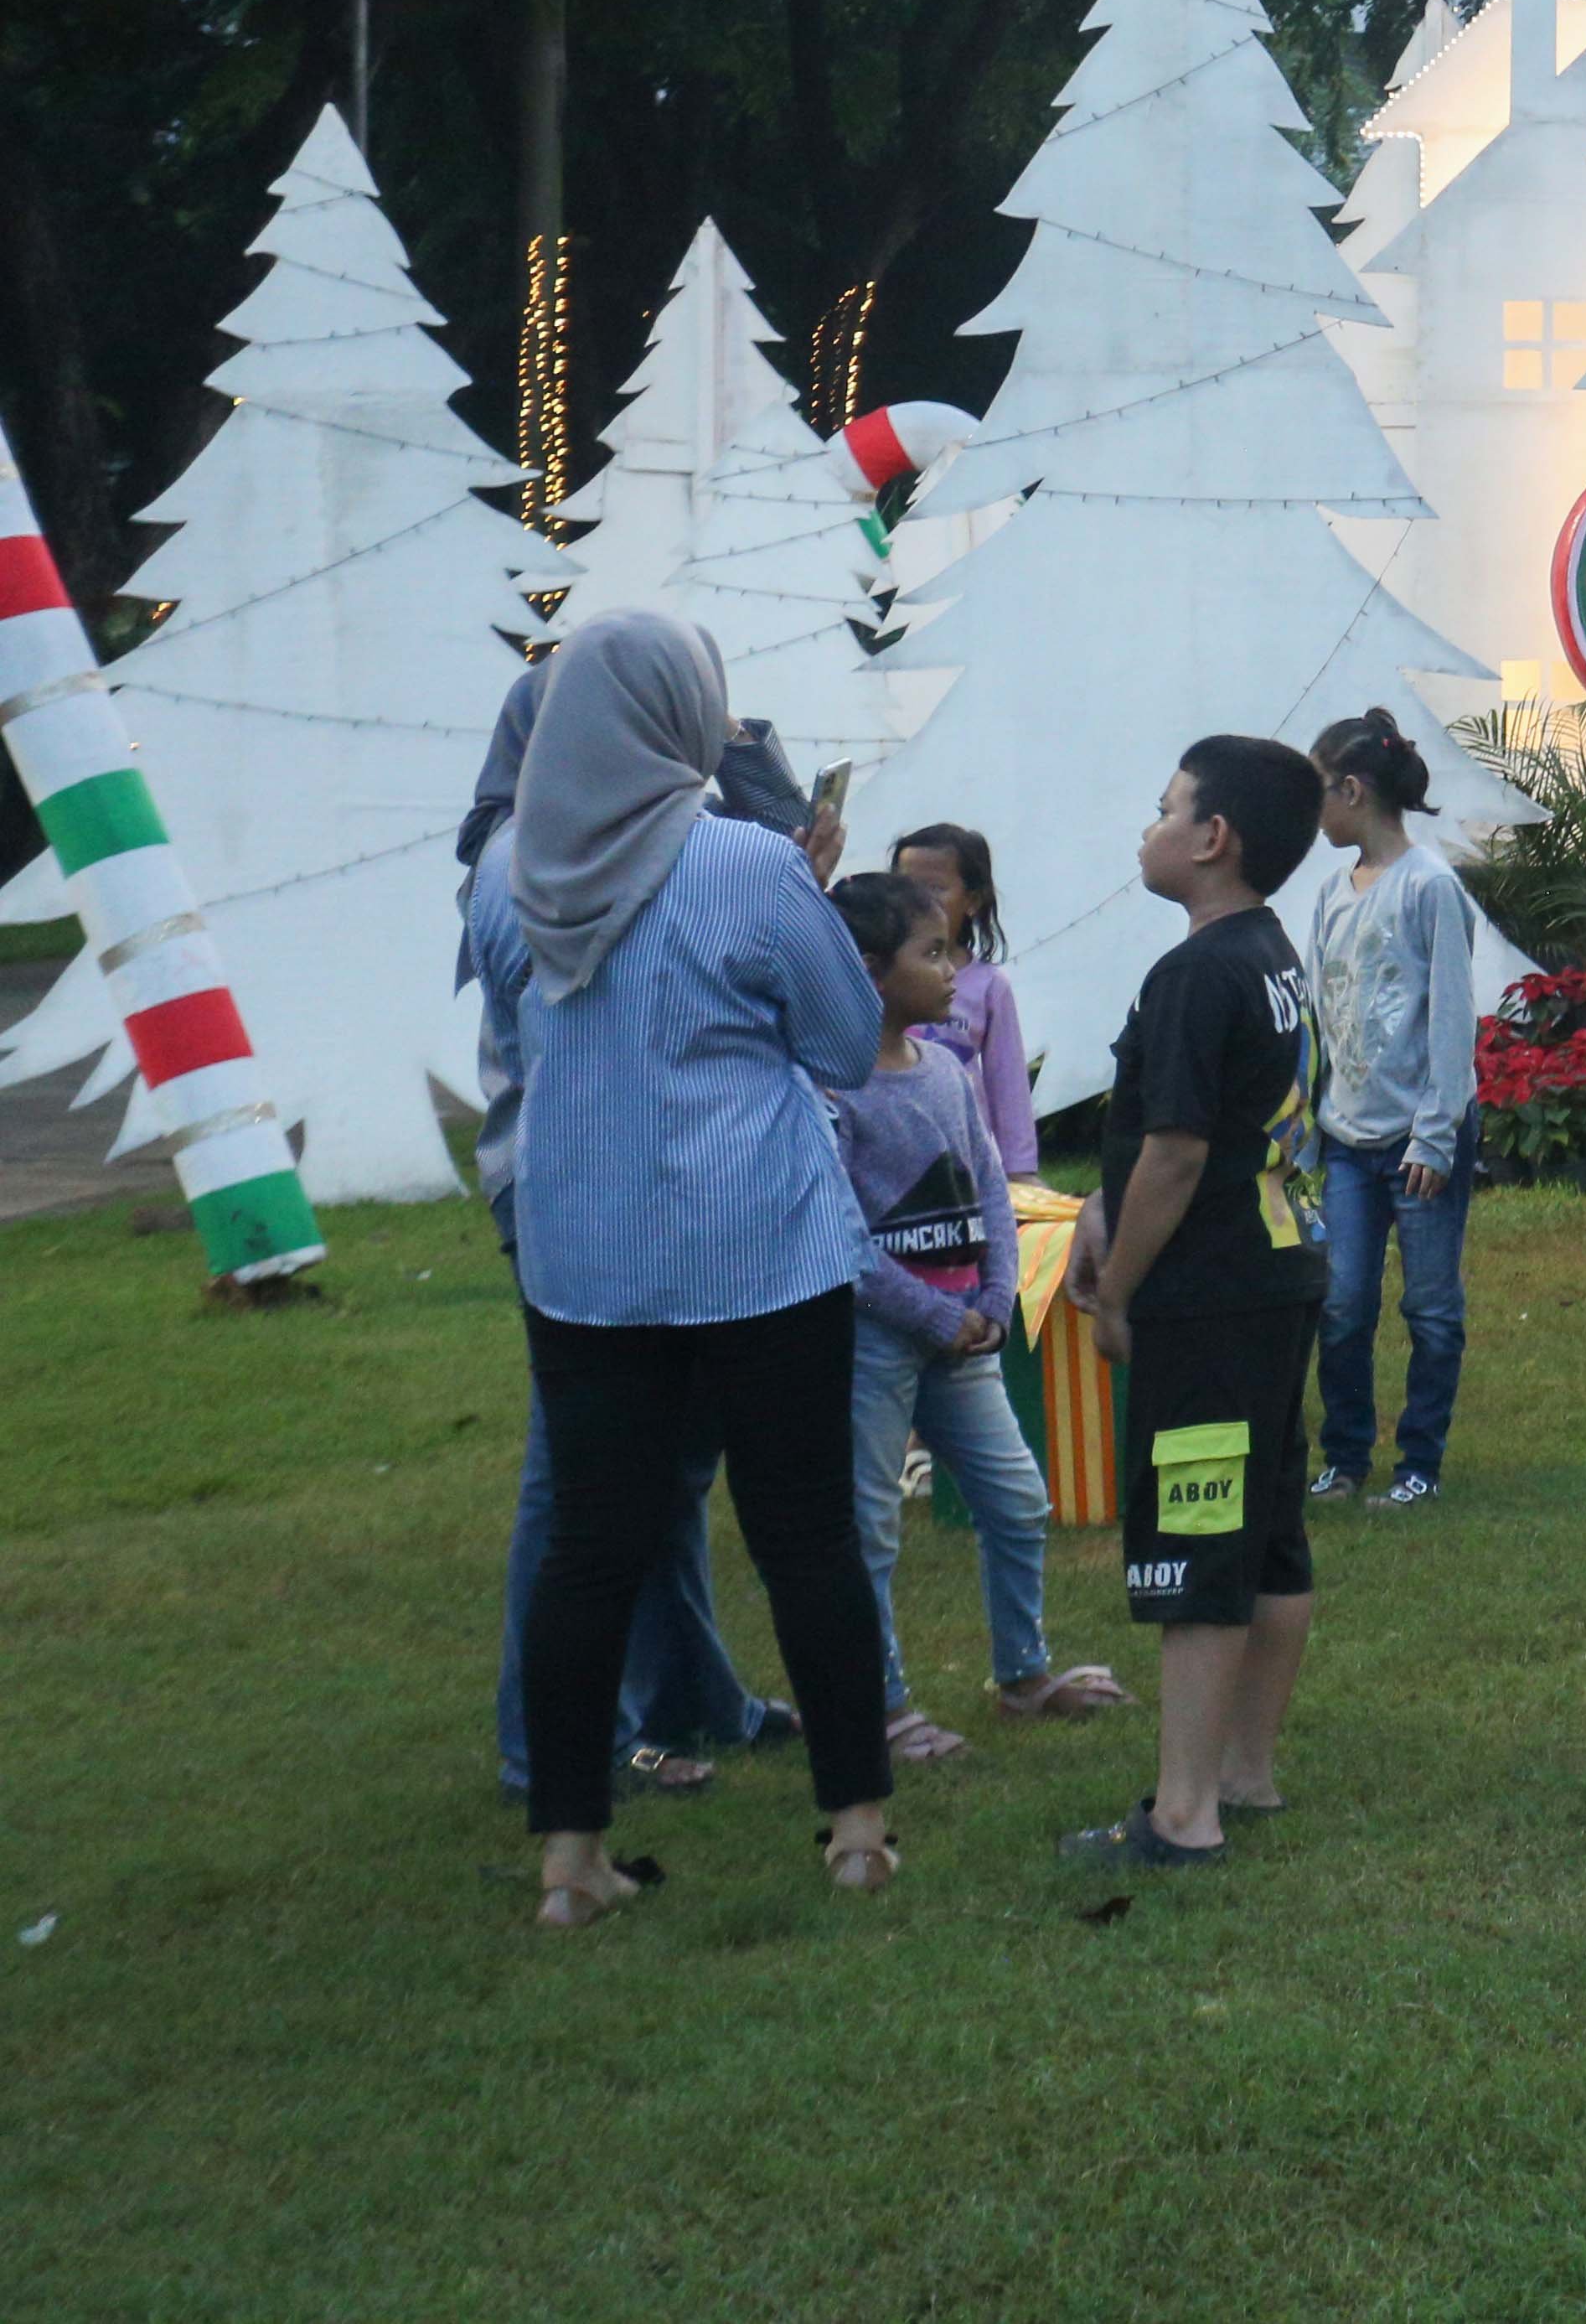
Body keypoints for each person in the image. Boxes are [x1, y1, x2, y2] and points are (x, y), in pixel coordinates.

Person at [468, 611, 897, 1927]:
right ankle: (858, 1829)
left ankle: (569, 1859)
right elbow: (844, 1039)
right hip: (762, 1247)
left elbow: (513, 1044)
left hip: (587, 1261)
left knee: (589, 1553)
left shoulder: (504, 876)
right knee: (807, 1533)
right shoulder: (749, 867)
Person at [466, 657, 805, 1801]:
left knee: (668, 1465)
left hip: (646, 1187)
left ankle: (684, 1697)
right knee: (578, 1480)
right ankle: (555, 1748)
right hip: (583, 1193)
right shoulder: (540, 858)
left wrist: (749, 770)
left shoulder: (633, 838)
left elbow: (780, 884)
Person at [1058, 736, 1330, 1872]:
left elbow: (1173, 1153)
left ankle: (1183, 1815)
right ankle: (1244, 1773)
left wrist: (1117, 1292)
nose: (1149, 825)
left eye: (1164, 807)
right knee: (1268, 1535)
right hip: (1274, 1280)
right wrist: (1093, 1205)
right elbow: (1171, 1136)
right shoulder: (1268, 956)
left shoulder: (1193, 973)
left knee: (1198, 1540)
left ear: (1212, 838)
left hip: (1207, 1298)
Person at [825, 872, 1125, 1762]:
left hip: (965, 1337)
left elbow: (993, 1191)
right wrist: (928, 1314)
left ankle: (1024, 1677)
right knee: (871, 1528)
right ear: (871, 972)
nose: (956, 970)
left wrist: (992, 1301)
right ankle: (881, 1710)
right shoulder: (832, 1087)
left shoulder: (949, 1071)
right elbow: (840, 1236)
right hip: (877, 1344)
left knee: (1017, 1501)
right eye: (933, 952)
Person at [1303, 707, 1481, 1509]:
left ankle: (1420, 1465)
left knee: (1430, 1307)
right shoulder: (1330, 894)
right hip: (1345, 1136)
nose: (1315, 815)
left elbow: (1450, 1019)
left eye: (1320, 795)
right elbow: (1319, 1013)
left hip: (1419, 1137)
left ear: (1353, 789)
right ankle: (1344, 1460)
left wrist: (1436, 1137)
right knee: (1341, 1303)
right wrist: (1306, 1125)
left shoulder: (1431, 887)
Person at [892, 821, 1038, 1181]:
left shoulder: (989, 987)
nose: (917, 901)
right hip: (890, 1148)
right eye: (904, 886)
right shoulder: (878, 974)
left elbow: (1009, 1088)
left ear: (973, 901)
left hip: (965, 1161)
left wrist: (1019, 1172)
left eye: (935, 889)